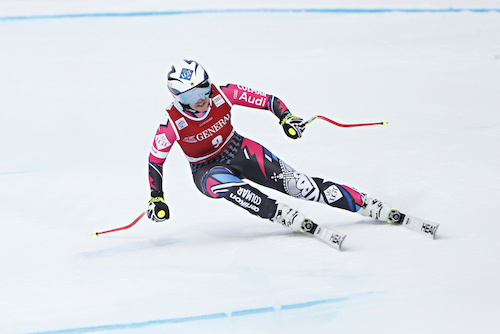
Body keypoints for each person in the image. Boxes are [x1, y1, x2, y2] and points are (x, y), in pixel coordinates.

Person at [146, 59, 402, 233]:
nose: (202, 99)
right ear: (178, 98)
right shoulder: (172, 122)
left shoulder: (224, 93)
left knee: (299, 185)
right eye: (191, 96)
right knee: (224, 184)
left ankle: (364, 203)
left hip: (238, 149)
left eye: (204, 89)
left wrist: (286, 118)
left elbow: (268, 100)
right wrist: (157, 198)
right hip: (205, 169)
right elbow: (155, 161)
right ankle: (276, 212)